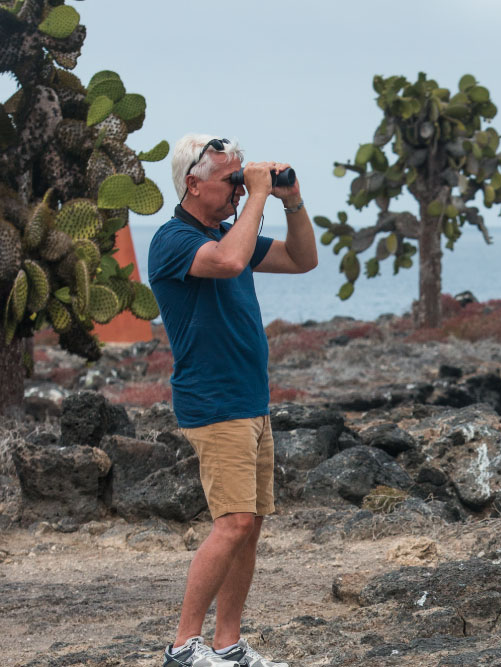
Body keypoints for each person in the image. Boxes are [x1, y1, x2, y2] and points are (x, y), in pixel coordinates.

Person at [148, 134, 317, 667]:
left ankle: (228, 645)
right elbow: (226, 261)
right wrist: (260, 198)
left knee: (250, 527)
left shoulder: (228, 230)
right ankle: (182, 647)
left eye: (242, 180)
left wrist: (290, 199)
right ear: (192, 184)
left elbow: (301, 259)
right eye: (232, 181)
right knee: (234, 523)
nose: (240, 192)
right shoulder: (172, 240)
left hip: (250, 400)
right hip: (214, 402)